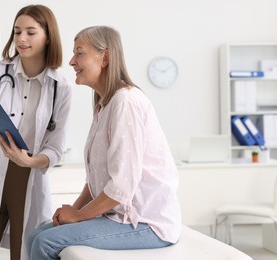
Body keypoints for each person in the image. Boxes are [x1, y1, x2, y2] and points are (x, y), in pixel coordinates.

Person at [26, 25, 181, 260]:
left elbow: (121, 187)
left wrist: (78, 217)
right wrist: (75, 210)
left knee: (46, 243)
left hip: (145, 222)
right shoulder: (104, 105)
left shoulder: (125, 102)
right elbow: (98, 180)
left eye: (79, 53)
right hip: (116, 217)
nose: (71, 61)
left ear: (105, 57)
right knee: (33, 237)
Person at [0, 4, 72, 260]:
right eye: (17, 31)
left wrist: (29, 160)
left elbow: (55, 149)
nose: (21, 39)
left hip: (27, 175)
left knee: (23, 252)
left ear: (48, 36)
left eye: (31, 32)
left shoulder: (61, 87)